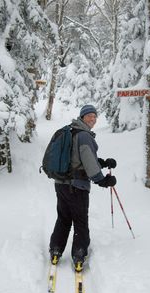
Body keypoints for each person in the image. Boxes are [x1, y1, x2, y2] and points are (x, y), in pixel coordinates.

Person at [49, 104, 117, 271]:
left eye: (95, 116)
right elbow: (88, 163)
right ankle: (79, 255)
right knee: (80, 222)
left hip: (61, 184)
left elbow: (79, 159)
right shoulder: (85, 136)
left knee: (63, 218)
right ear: (82, 117)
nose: (92, 119)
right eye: (89, 116)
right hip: (77, 187)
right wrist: (102, 180)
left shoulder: (72, 131)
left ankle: (56, 250)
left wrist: (102, 162)